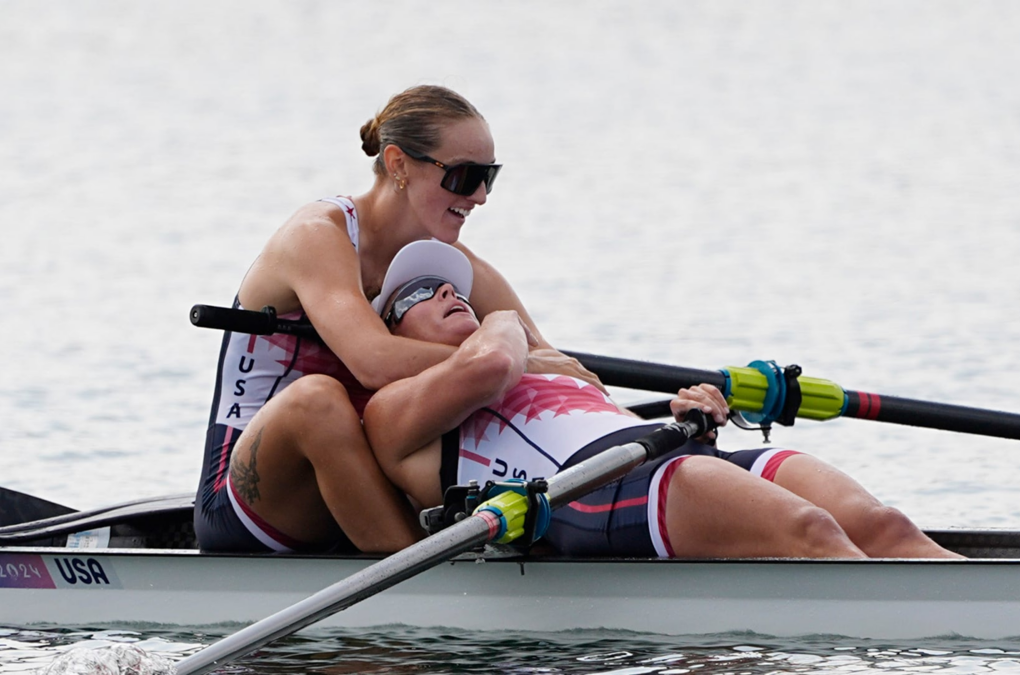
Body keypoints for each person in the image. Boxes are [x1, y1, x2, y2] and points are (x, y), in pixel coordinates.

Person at [363, 242, 963, 559]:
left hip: (663, 461)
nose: (449, 291)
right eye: (419, 292)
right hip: (584, 491)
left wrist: (696, 423)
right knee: (811, 532)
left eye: (455, 286)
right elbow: (492, 361)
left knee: (886, 528)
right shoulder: (390, 410)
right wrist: (503, 320)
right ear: (387, 332)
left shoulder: (547, 366)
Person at [196, 85, 600, 554]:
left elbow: (560, 372)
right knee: (318, 401)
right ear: (398, 164)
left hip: (365, 477)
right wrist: (510, 361)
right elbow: (375, 361)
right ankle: (422, 581)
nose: (482, 196)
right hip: (248, 497)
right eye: (465, 175)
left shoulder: (458, 266)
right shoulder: (316, 237)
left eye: (490, 176)